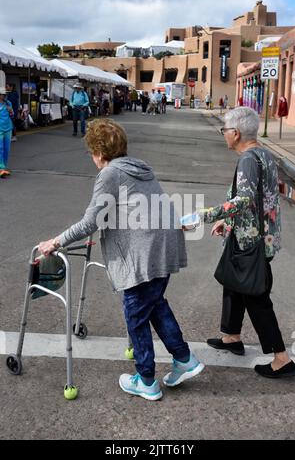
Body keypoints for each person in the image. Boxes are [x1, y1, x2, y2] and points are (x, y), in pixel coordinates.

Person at [38, 118, 204, 401]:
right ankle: (184, 359)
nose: (92, 157)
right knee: (155, 306)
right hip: (163, 248)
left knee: (136, 315)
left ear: (100, 153)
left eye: (92, 151)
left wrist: (56, 241)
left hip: (143, 255)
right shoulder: (138, 168)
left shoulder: (110, 173)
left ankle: (147, 380)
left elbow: (91, 220)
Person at [199, 107, 295, 379]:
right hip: (260, 236)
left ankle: (281, 358)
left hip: (250, 241)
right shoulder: (264, 154)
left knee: (256, 296)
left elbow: (243, 200)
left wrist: (207, 215)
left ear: (236, 133)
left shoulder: (247, 160)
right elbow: (262, 195)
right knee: (234, 283)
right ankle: (231, 336)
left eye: (225, 131)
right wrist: (228, 222)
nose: (224, 135)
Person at [0, 85, 14, 178]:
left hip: (8, 128)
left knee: (6, 149)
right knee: (0, 148)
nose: (4, 96)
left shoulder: (8, 103)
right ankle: (1, 168)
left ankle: (4, 167)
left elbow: (12, 115)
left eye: (5, 94)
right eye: (2, 94)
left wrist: (11, 111)